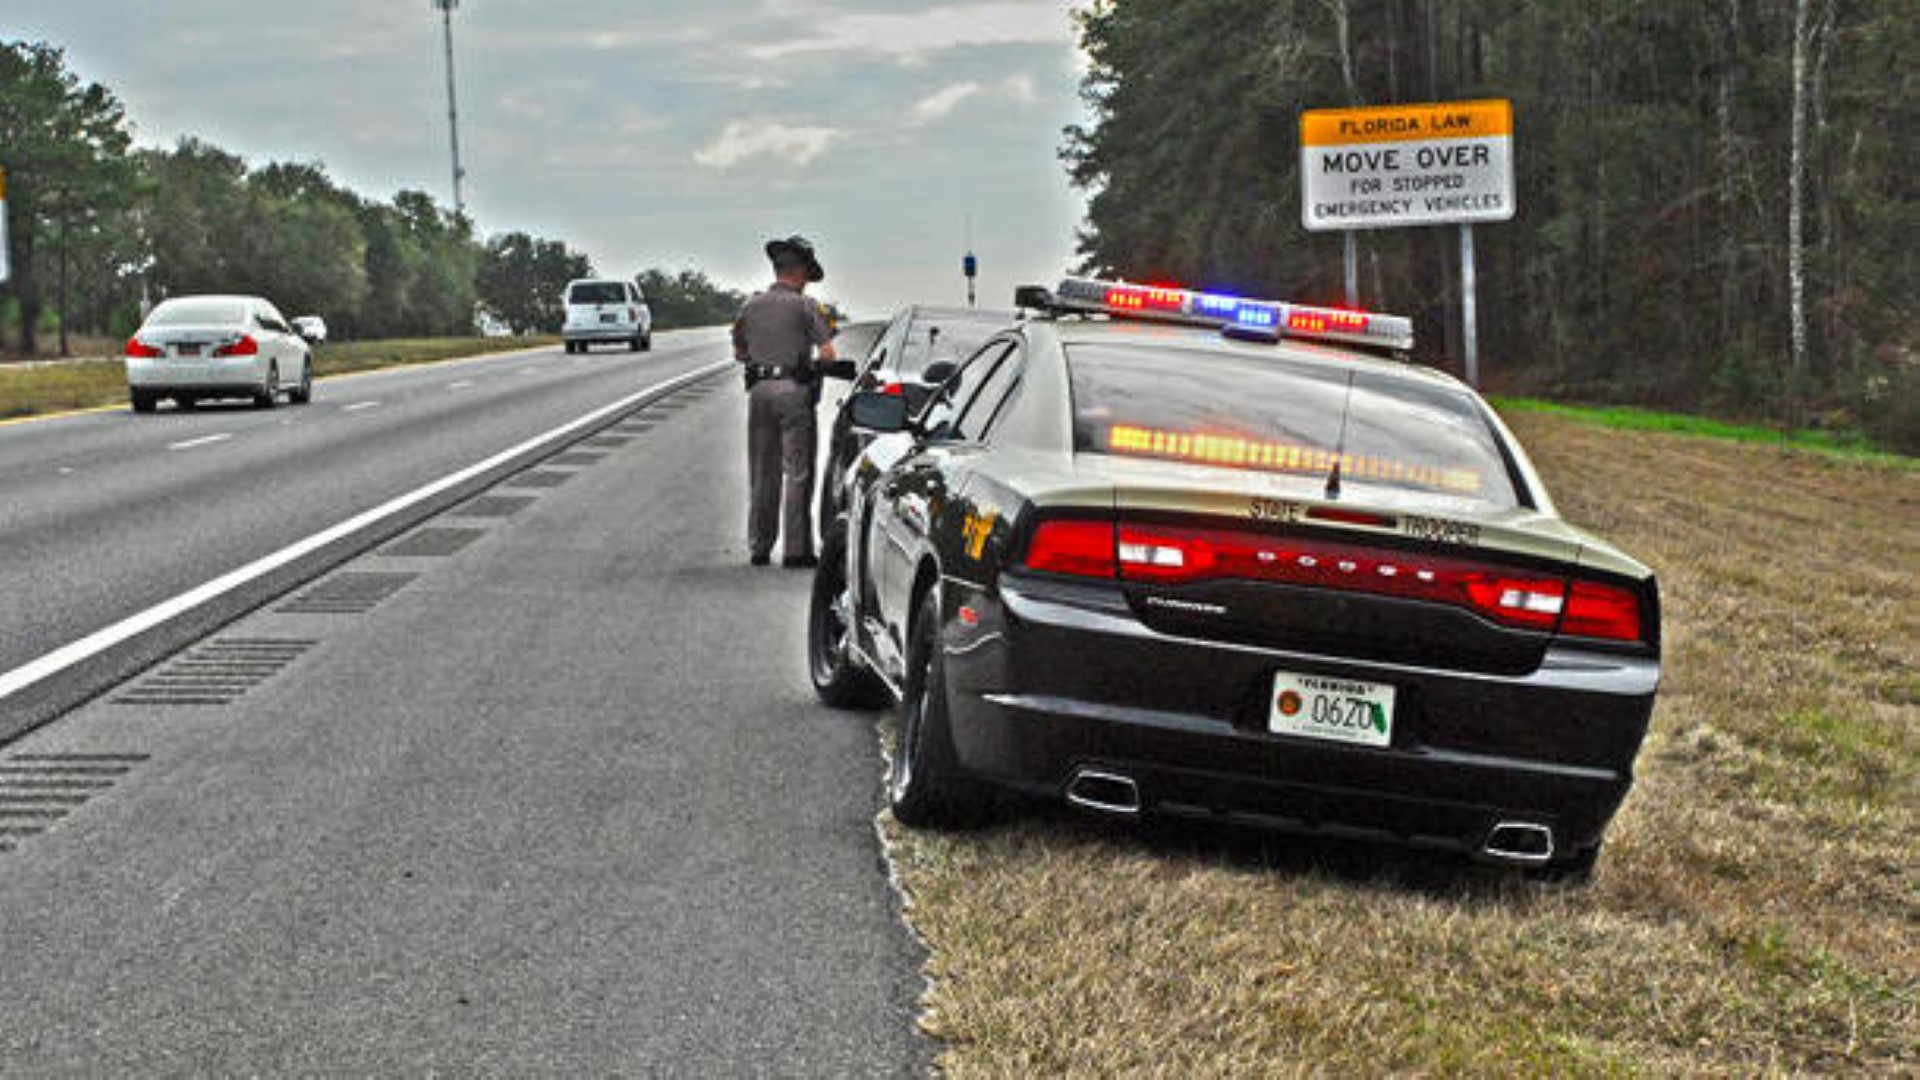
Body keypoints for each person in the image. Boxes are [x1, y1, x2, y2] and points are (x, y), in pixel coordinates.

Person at [732, 235, 838, 568]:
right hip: (793, 393)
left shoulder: (749, 306)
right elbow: (828, 353)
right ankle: (796, 551)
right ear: (801, 272)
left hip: (759, 392)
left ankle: (759, 547)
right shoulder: (807, 306)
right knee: (797, 472)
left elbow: (739, 352)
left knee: (762, 471)